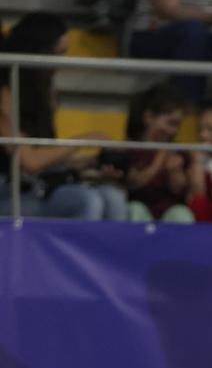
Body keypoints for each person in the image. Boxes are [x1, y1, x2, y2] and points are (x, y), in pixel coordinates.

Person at [0, 13, 127, 220]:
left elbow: (46, 159)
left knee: (113, 198)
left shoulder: (46, 92)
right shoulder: (5, 94)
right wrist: (84, 139)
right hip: (8, 192)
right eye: (57, 54)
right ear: (38, 52)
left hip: (39, 186)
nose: (60, 63)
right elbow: (30, 161)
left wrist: (88, 163)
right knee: (86, 201)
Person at [124, 82, 196, 222]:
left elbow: (181, 192)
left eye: (177, 125)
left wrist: (175, 172)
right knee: (134, 210)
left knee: (182, 214)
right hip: (140, 210)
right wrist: (159, 160)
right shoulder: (130, 149)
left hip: (169, 213)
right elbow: (132, 183)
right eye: (170, 123)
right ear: (149, 117)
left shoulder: (179, 153)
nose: (173, 131)